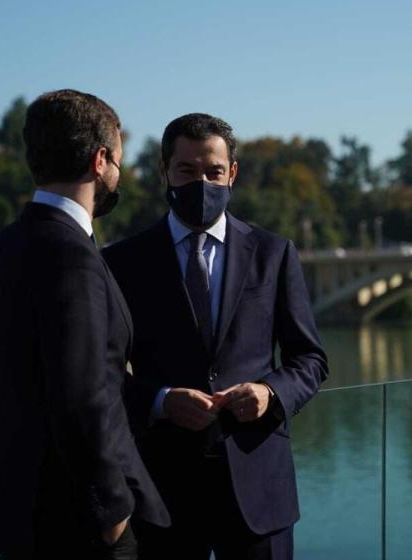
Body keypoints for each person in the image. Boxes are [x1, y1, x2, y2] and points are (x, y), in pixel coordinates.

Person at [102, 113, 328, 559]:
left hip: (259, 491)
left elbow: (310, 360)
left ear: (232, 174)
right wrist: (162, 400)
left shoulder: (274, 253)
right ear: (164, 171)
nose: (201, 183)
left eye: (213, 172)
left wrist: (269, 392)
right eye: (187, 171)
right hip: (161, 492)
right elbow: (102, 375)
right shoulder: (122, 263)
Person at [0, 89, 169, 559]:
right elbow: (81, 397)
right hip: (78, 522)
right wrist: (112, 513)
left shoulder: (3, 246)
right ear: (100, 161)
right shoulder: (71, 256)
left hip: (22, 508)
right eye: (119, 161)